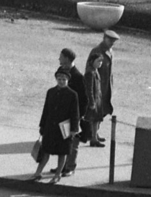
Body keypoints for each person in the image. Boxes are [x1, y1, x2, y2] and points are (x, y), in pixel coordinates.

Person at [32, 65, 81, 182]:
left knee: (62, 152)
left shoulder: (73, 94)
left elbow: (75, 114)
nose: (61, 81)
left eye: (64, 79)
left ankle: (57, 175)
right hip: (50, 126)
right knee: (46, 151)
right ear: (56, 79)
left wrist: (74, 129)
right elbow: (46, 110)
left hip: (65, 128)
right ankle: (38, 172)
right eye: (59, 79)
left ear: (68, 80)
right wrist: (42, 126)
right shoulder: (51, 92)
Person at [58, 48, 89, 177]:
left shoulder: (78, 77)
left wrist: (78, 116)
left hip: (74, 116)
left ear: (67, 59)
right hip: (62, 115)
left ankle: (70, 167)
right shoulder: (61, 72)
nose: (59, 59)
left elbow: (84, 100)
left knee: (73, 143)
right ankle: (62, 166)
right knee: (63, 142)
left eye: (61, 57)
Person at [84, 31, 118, 146]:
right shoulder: (97, 51)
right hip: (97, 87)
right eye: (110, 40)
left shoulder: (109, 51)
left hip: (105, 86)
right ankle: (93, 137)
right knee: (95, 113)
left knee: (102, 111)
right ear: (104, 38)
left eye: (114, 41)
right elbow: (89, 69)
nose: (112, 43)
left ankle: (95, 133)